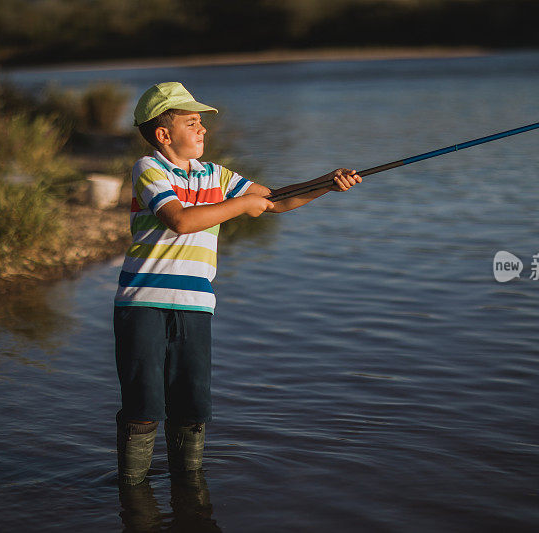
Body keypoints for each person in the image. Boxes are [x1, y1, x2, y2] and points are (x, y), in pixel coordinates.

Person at [114, 81, 361, 485]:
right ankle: (132, 493)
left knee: (192, 407)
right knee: (143, 406)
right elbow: (180, 220)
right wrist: (243, 204)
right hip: (143, 304)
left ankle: (189, 490)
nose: (203, 130)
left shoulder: (217, 175)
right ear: (163, 135)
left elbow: (277, 200)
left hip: (195, 306)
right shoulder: (149, 168)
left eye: (201, 123)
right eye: (192, 123)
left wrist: (326, 183)